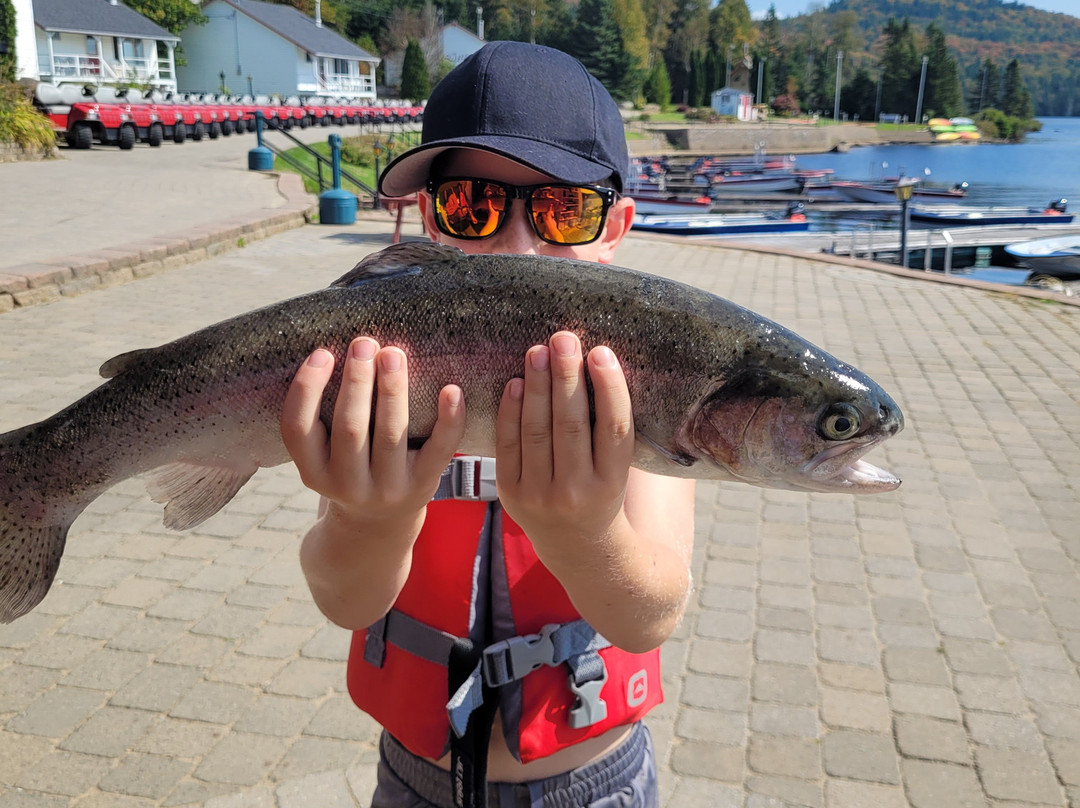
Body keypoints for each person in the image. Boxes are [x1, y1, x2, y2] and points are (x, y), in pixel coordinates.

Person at [280, 41, 695, 808]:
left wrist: (587, 535)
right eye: (472, 206)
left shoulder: (645, 378)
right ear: (429, 220)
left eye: (564, 210)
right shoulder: (385, 368)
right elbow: (345, 602)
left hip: (591, 781)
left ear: (618, 225)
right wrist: (373, 520)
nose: (518, 246)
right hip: (412, 779)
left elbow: (652, 616)